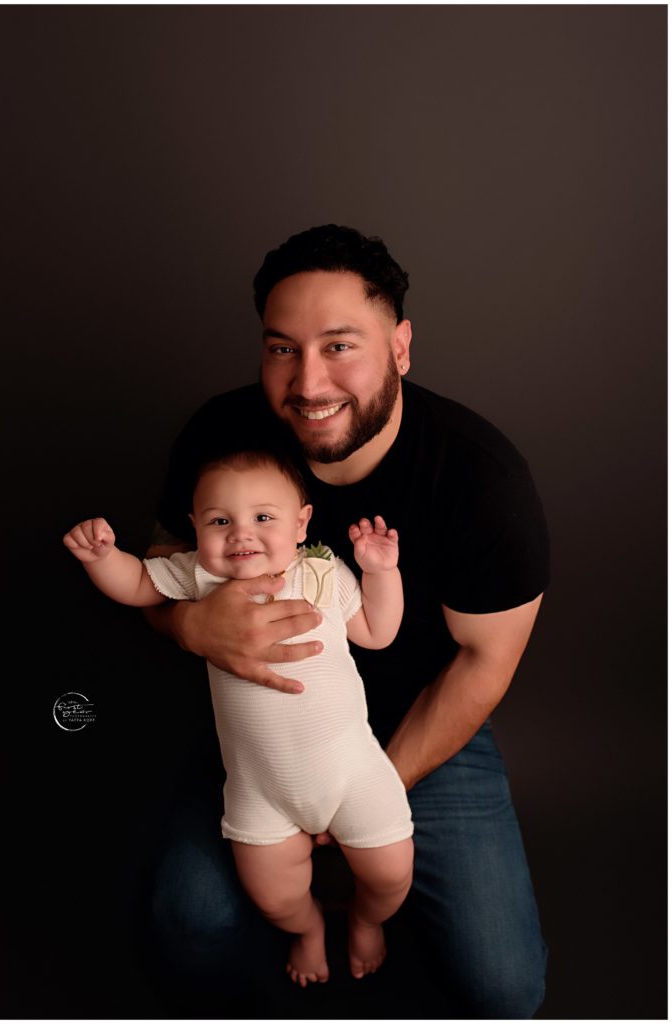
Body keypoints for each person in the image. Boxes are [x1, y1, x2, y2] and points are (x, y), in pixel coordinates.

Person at [143, 224, 550, 1018]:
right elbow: (162, 565)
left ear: (400, 346)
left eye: (339, 346)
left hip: (416, 725)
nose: (307, 381)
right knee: (186, 925)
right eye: (282, 349)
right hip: (258, 730)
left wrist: (365, 787)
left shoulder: (480, 478)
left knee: (504, 988)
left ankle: (363, 914)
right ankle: (294, 948)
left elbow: (484, 664)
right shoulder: (222, 435)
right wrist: (190, 628)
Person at [62, 449, 414, 986]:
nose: (241, 534)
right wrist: (101, 557)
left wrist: (380, 573)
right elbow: (135, 585)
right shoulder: (200, 576)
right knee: (274, 897)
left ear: (302, 524)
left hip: (353, 774)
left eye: (263, 517)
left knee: (391, 876)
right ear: (195, 527)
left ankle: (367, 919)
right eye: (219, 522)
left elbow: (377, 632)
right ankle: (308, 928)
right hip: (259, 788)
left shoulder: (320, 572)